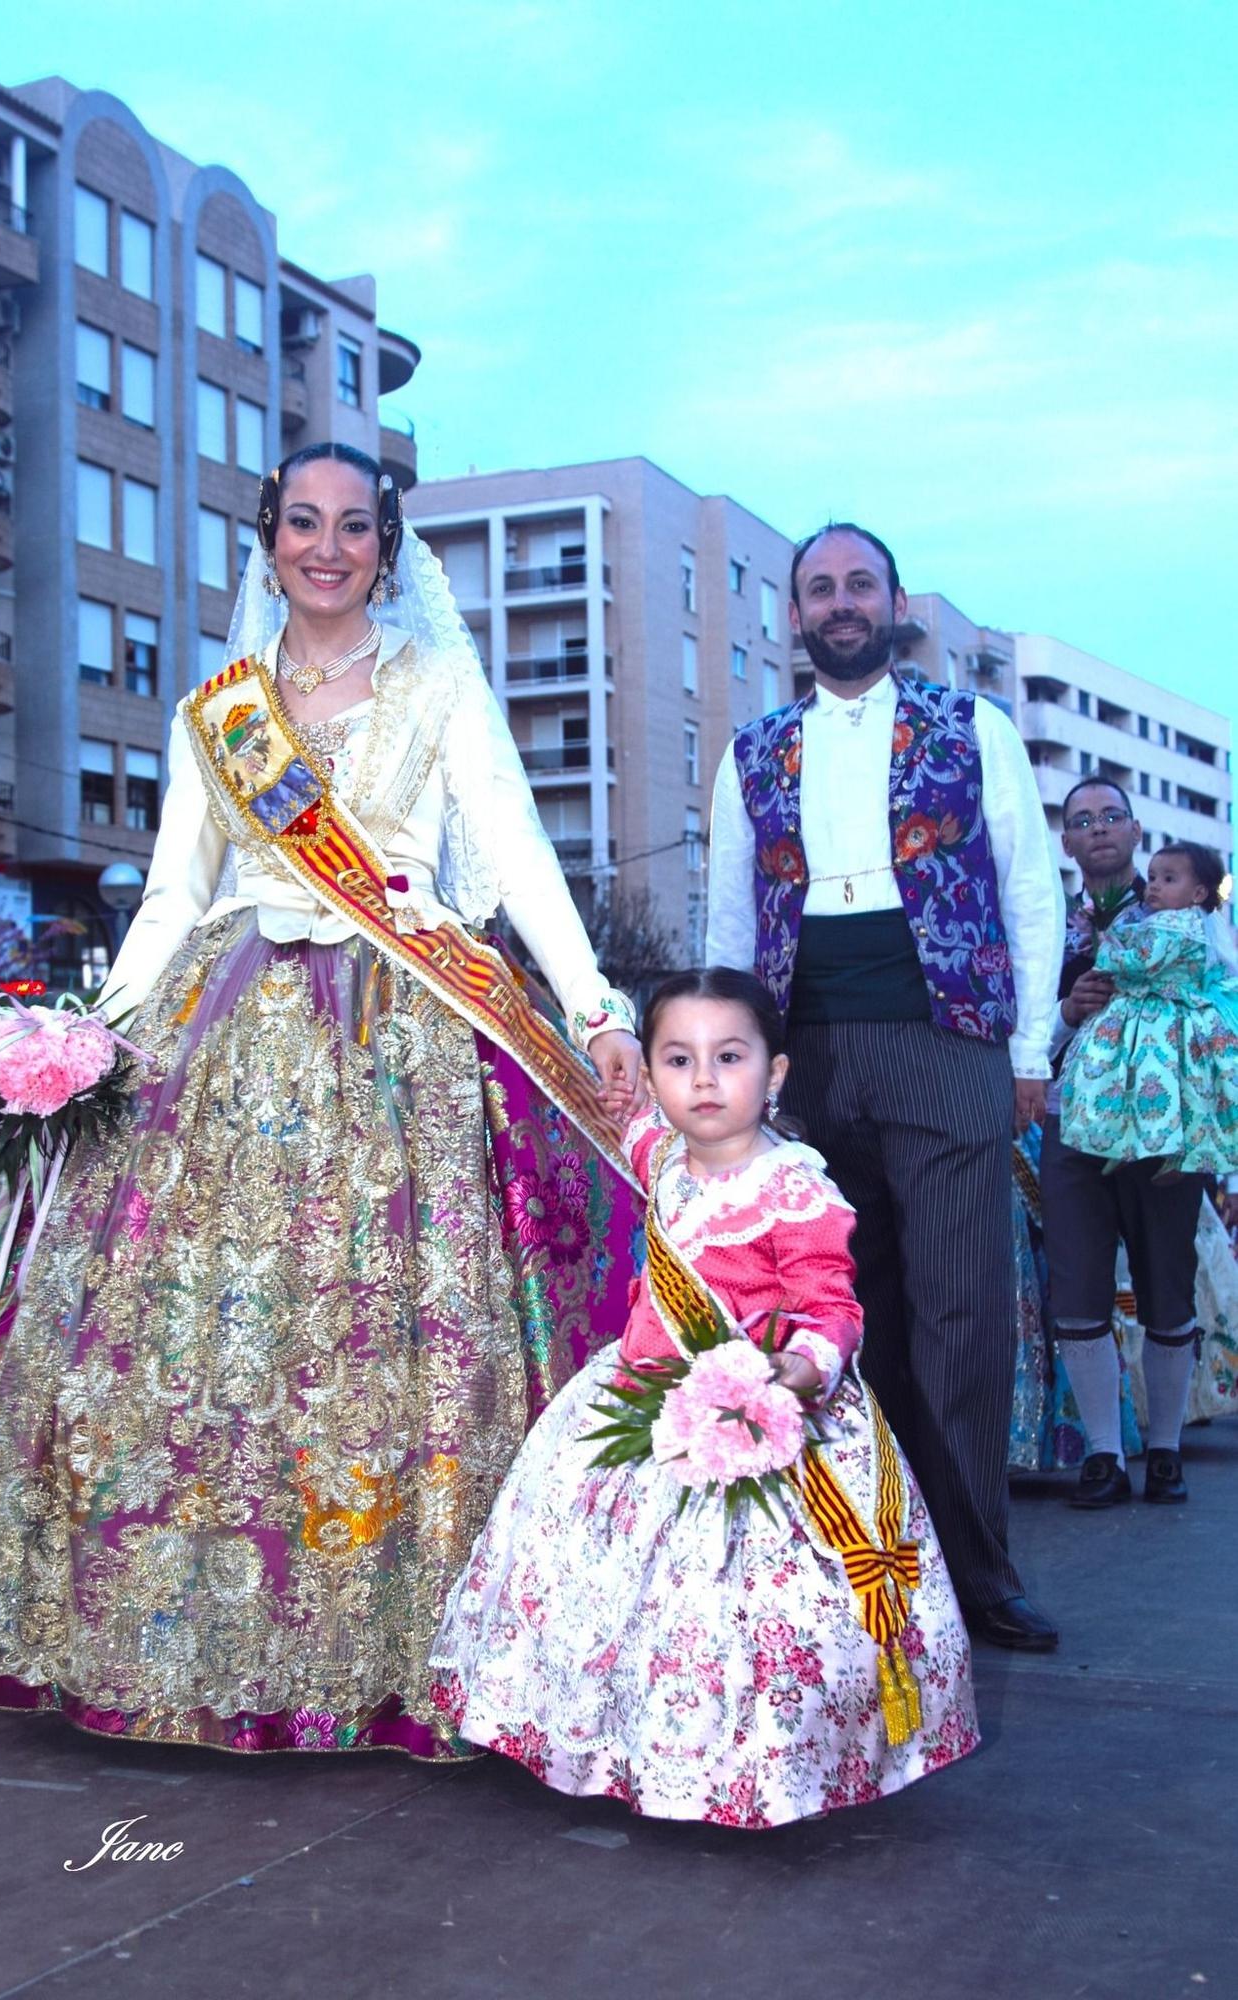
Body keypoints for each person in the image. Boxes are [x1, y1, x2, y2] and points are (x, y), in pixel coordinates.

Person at [0, 442, 644, 1756]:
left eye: (356, 527)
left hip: (398, 1032)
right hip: (226, 1024)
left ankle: (397, 1658)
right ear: (268, 537)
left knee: (390, 1344)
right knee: (207, 1343)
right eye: (303, 523)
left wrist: (594, 1005)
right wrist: (83, 1043)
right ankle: (203, 1649)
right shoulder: (220, 705)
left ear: (388, 546)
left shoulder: (436, 682)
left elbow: (515, 849)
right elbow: (170, 894)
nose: (328, 547)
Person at [430, 968, 977, 1828]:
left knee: (740, 1610)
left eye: (729, 1057)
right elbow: (602, 1100)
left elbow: (830, 1308)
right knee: (606, 1586)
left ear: (776, 1072)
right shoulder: (659, 1156)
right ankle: (613, 1744)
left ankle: (760, 1765)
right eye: (678, 1061)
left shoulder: (793, 1189)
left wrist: (787, 1378)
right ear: (651, 1079)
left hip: (759, 1424)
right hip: (638, 1403)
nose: (706, 1081)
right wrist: (595, 1024)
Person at [706, 523, 1064, 1651]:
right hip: (805, 1049)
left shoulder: (975, 725)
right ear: (794, 613)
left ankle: (975, 1569)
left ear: (893, 602)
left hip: (946, 1038)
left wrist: (1030, 1051)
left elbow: (1029, 890)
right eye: (820, 589)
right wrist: (727, 1064)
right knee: (834, 1315)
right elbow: (726, 915)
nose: (841, 603)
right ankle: (861, 1561)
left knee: (961, 1313)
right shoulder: (753, 749)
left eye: (860, 584)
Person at [1043, 784, 1230, 1507]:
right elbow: (1026, 1028)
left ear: (1135, 830)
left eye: (1109, 817)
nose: (1097, 830)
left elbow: (1223, 1005)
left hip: (1164, 1126)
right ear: (1066, 842)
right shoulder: (1045, 928)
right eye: (1080, 820)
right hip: (1073, 1122)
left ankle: (1164, 1452)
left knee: (1165, 1283)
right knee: (1079, 1285)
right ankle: (1102, 1455)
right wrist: (1065, 1010)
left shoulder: (1191, 921)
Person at [1060, 841, 1238, 1175]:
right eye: (1153, 877)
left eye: (1169, 880)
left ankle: (1172, 1151)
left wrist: (1108, 951)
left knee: (1153, 1080)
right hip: (1148, 1014)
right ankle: (1130, 1143)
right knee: (1138, 1083)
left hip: (1164, 1021)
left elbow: (1142, 961)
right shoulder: (1162, 923)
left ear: (1198, 893)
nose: (1154, 885)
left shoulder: (1177, 926)